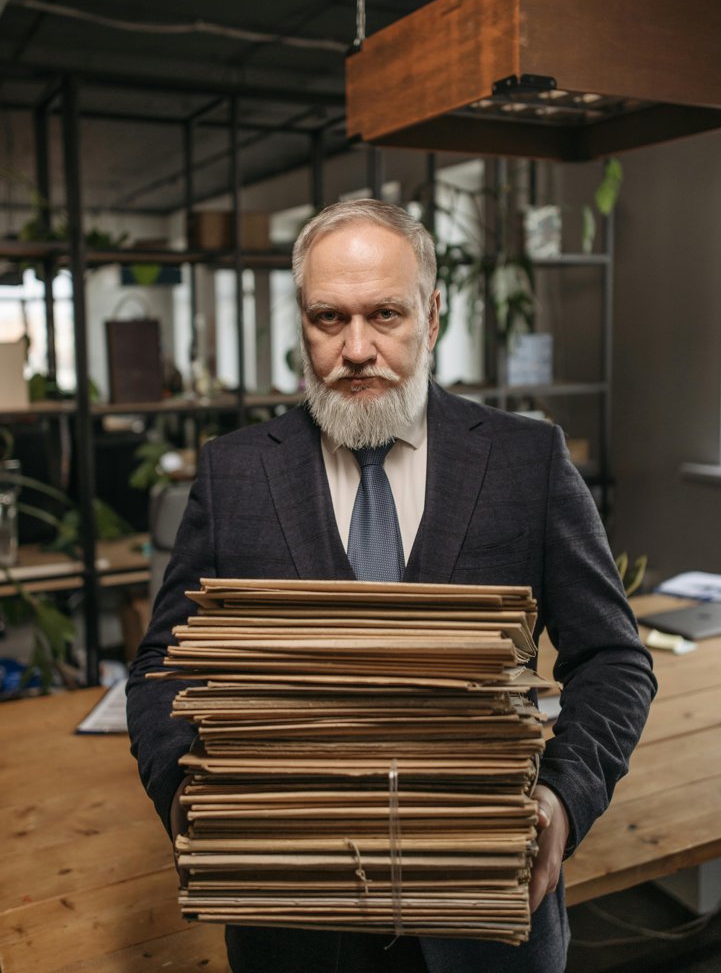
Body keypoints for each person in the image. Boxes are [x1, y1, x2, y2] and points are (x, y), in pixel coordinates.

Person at [127, 198, 656, 973]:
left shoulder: (527, 460)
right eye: (328, 319)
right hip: (294, 923)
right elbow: (163, 666)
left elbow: (612, 658)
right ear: (302, 325)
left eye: (384, 314)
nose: (356, 349)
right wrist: (187, 796)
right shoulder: (234, 472)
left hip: (487, 920)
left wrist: (560, 798)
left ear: (431, 316)